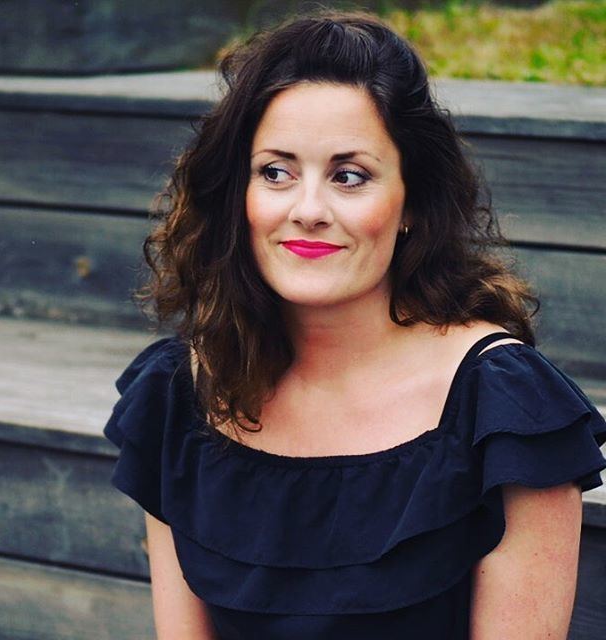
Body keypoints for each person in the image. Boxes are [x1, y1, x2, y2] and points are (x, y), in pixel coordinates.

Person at [104, 9, 606, 640]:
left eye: (349, 176)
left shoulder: (504, 411)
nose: (308, 210)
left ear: (412, 205)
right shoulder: (180, 392)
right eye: (276, 172)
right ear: (240, 195)